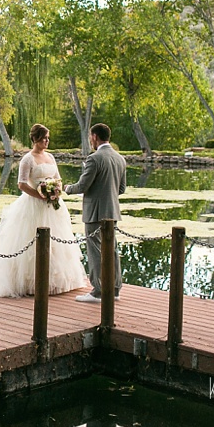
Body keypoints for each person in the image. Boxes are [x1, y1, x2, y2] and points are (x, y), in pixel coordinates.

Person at [0, 124, 89, 297]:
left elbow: (58, 179)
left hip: (53, 205)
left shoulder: (50, 157)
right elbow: (22, 184)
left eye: (48, 138)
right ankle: (30, 281)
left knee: (57, 241)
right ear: (35, 139)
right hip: (33, 205)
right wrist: (39, 195)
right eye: (44, 138)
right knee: (31, 240)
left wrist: (55, 190)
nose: (47, 141)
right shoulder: (28, 159)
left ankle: (56, 281)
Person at [64, 123, 127, 303]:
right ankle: (115, 289)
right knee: (112, 250)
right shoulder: (120, 159)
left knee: (96, 251)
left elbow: (83, 186)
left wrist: (67, 188)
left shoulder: (94, 158)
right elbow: (121, 189)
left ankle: (98, 291)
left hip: (95, 212)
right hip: (112, 211)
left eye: (91, 137)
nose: (90, 140)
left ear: (95, 137)